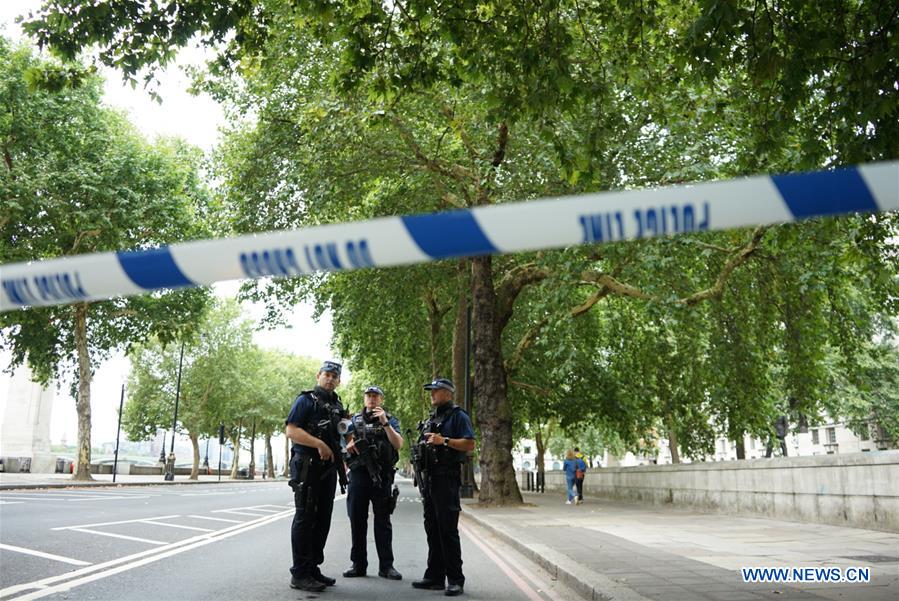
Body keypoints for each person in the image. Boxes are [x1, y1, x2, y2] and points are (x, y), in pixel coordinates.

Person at [285, 360, 348, 592]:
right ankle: (299, 573)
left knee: (323, 519)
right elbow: (291, 430)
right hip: (307, 466)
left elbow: (341, 435)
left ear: (339, 380)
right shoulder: (306, 400)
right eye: (327, 374)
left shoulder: (337, 405)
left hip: (328, 469)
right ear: (318, 375)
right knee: (305, 518)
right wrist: (318, 443)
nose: (330, 379)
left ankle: (312, 568)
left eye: (334, 376)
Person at [411, 378, 475, 597]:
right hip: (430, 480)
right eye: (431, 390)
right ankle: (435, 576)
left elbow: (469, 444)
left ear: (448, 393)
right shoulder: (431, 418)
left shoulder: (458, 416)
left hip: (446, 479)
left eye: (436, 391)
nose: (432, 394)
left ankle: (455, 579)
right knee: (431, 527)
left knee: (447, 529)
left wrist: (444, 441)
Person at [343, 385, 404, 580]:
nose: (372, 399)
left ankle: (386, 566)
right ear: (364, 399)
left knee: (383, 521)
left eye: (375, 396)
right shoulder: (354, 421)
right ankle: (358, 565)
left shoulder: (390, 419)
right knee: (357, 520)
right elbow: (344, 444)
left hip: (382, 475)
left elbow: (398, 444)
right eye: (368, 396)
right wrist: (349, 446)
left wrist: (385, 423)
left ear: (381, 400)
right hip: (359, 475)